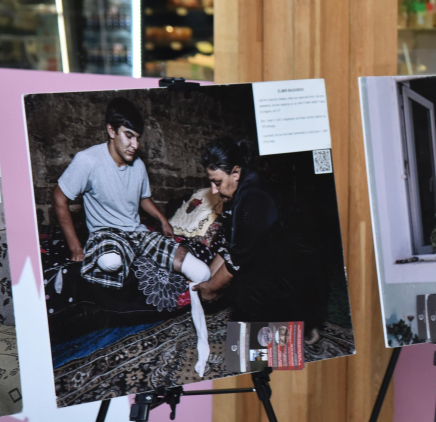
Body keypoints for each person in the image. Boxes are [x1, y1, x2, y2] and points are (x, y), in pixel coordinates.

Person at [54, 97, 211, 288]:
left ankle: (136, 253)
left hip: (137, 233)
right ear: (111, 130)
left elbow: (144, 198)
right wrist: (76, 247)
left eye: (137, 138)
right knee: (111, 262)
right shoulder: (88, 160)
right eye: (129, 136)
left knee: (202, 272)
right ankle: (117, 254)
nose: (135, 145)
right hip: (106, 233)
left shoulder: (138, 165)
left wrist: (163, 221)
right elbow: (59, 198)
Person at [192, 138, 324, 343]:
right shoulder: (237, 190)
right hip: (281, 260)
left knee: (243, 289)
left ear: (235, 173)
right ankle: (303, 323)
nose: (214, 190)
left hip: (299, 270)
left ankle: (292, 334)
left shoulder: (253, 197)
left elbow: (236, 260)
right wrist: (208, 276)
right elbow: (230, 244)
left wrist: (211, 288)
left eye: (217, 182)